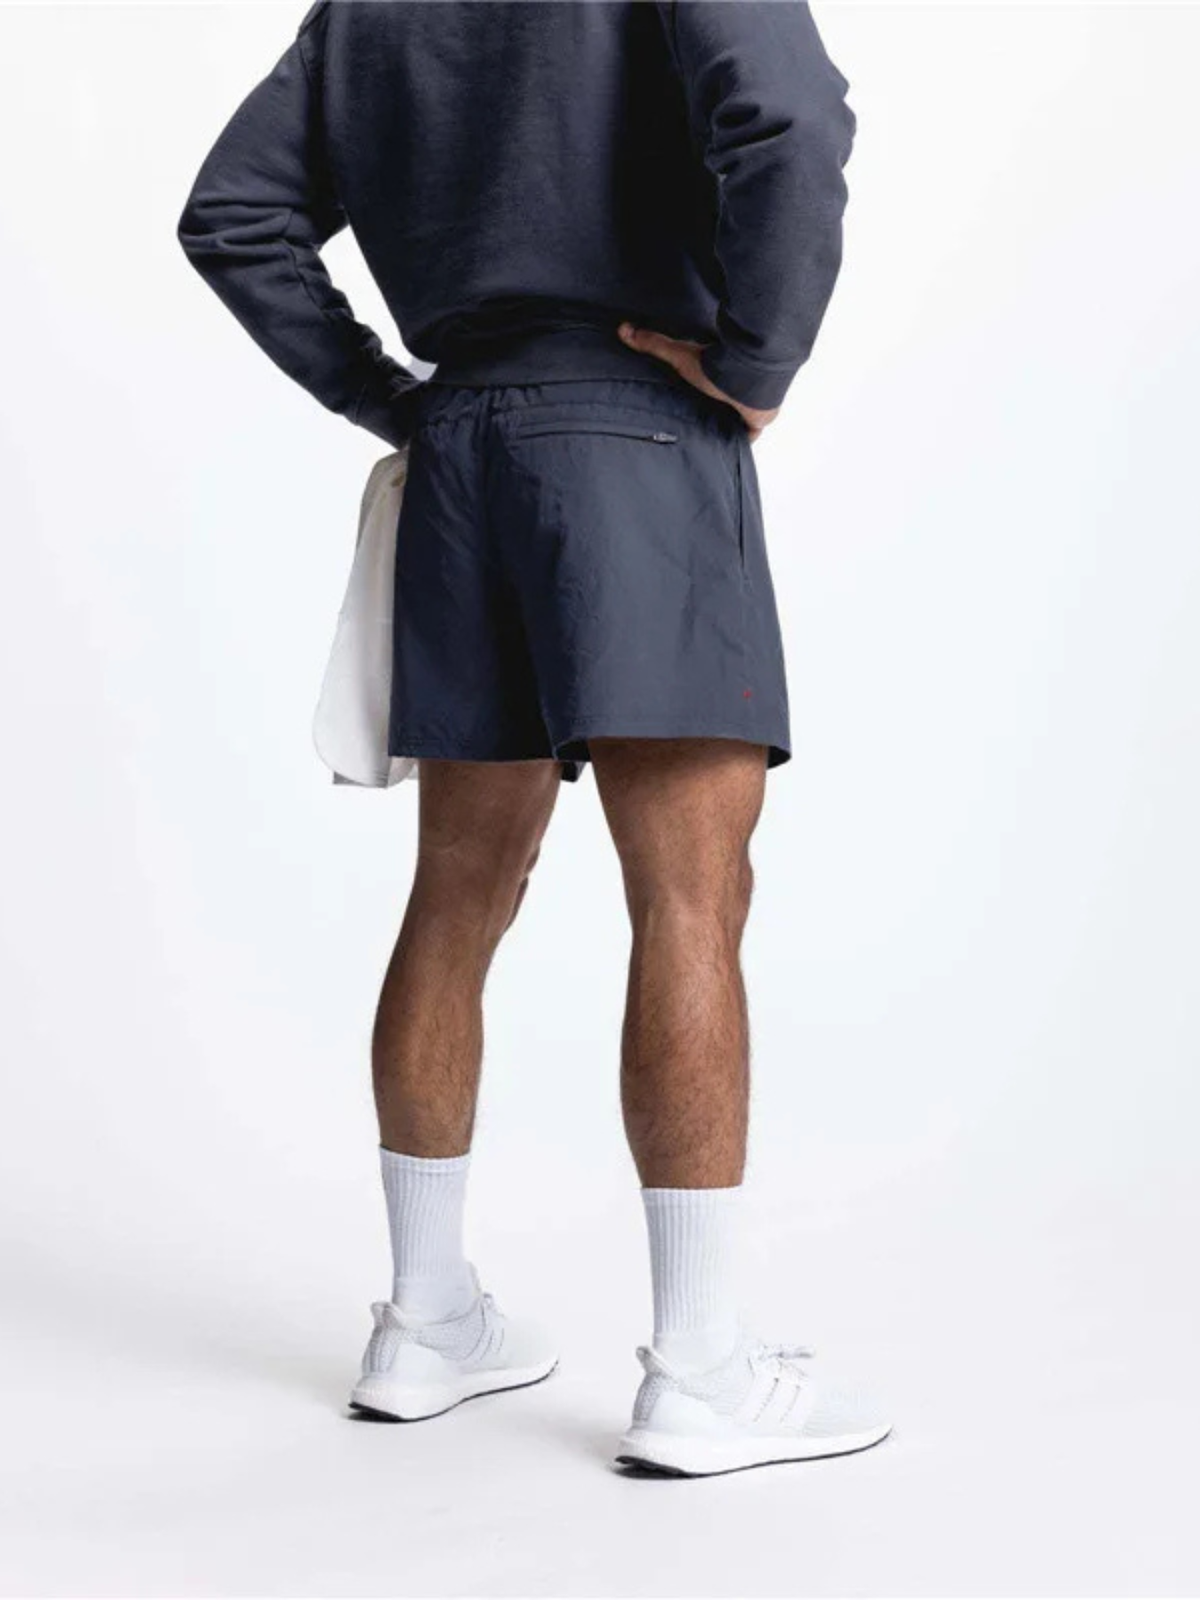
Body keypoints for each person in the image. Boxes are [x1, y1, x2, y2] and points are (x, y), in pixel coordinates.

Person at [177, 0, 889, 1477]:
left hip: (462, 454)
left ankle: (427, 1321)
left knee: (456, 892)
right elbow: (791, 118)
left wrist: (395, 400)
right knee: (690, 896)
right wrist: (756, 362)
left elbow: (234, 214)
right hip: (638, 432)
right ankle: (701, 1369)